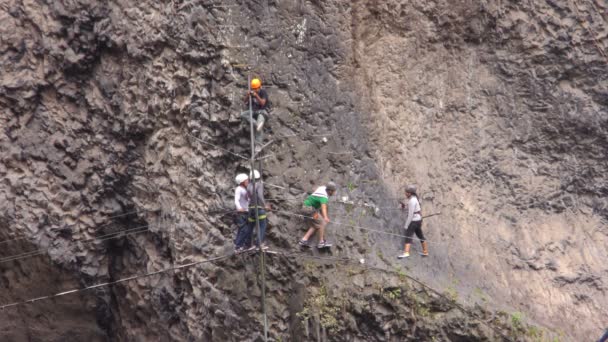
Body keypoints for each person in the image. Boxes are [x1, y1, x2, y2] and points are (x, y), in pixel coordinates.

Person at [298, 182, 337, 248]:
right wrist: (325, 217)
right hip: (309, 210)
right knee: (322, 222)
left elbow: (315, 188)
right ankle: (321, 242)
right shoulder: (324, 197)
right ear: (330, 191)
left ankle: (304, 240)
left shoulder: (322, 188)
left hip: (307, 208)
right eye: (334, 191)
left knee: (315, 224)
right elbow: (323, 207)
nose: (334, 193)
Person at [398, 184, 427, 259]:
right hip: (418, 220)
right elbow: (410, 208)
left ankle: (406, 252)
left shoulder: (412, 201)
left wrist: (406, 225)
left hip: (413, 221)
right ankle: (425, 251)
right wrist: (403, 206)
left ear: (410, 193)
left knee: (408, 235)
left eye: (406, 192)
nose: (405, 193)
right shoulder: (414, 199)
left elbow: (410, 215)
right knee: (420, 235)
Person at [240, 78, 269, 145]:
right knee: (243, 114)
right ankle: (256, 124)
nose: (255, 90)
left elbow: (262, 103)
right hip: (254, 111)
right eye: (254, 89)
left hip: (262, 111)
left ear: (259, 87)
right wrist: (247, 95)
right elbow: (245, 102)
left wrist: (256, 96)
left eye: (256, 88)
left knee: (258, 129)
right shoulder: (252, 92)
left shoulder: (263, 92)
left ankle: (259, 144)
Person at [247, 169, 271, 250]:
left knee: (250, 227)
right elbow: (260, 196)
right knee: (262, 226)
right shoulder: (259, 184)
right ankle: (259, 244)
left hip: (251, 209)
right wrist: (265, 206)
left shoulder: (248, 185)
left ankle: (250, 244)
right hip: (259, 209)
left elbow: (249, 197)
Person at [233, 173, 253, 252]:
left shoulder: (245, 189)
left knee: (243, 230)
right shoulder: (239, 189)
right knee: (244, 229)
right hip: (241, 213)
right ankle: (238, 247)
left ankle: (240, 245)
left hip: (246, 212)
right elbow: (236, 200)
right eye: (246, 180)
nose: (248, 181)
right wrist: (239, 208)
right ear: (242, 182)